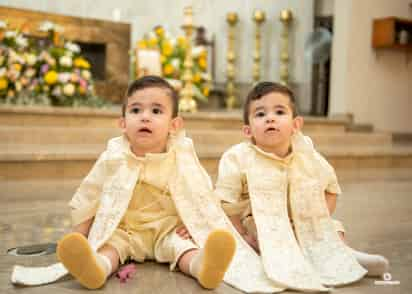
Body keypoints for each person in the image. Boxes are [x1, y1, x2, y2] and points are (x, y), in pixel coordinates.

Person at [11, 76, 284, 294]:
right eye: (136, 110)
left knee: (183, 247)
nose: (145, 117)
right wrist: (80, 235)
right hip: (126, 227)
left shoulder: (181, 153)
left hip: (167, 227)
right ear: (122, 123)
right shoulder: (114, 156)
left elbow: (200, 189)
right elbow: (90, 194)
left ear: (174, 124)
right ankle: (95, 268)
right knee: (112, 246)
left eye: (156, 111)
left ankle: (204, 266)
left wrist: (197, 225)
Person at [215, 81, 389, 291]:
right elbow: (226, 202)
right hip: (260, 223)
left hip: (302, 220)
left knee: (333, 229)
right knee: (259, 243)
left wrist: (317, 218)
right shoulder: (238, 157)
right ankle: (292, 259)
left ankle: (347, 254)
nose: (270, 118)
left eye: (279, 112)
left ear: (296, 125)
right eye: (260, 114)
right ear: (248, 130)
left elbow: (331, 188)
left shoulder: (306, 154)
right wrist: (242, 235)